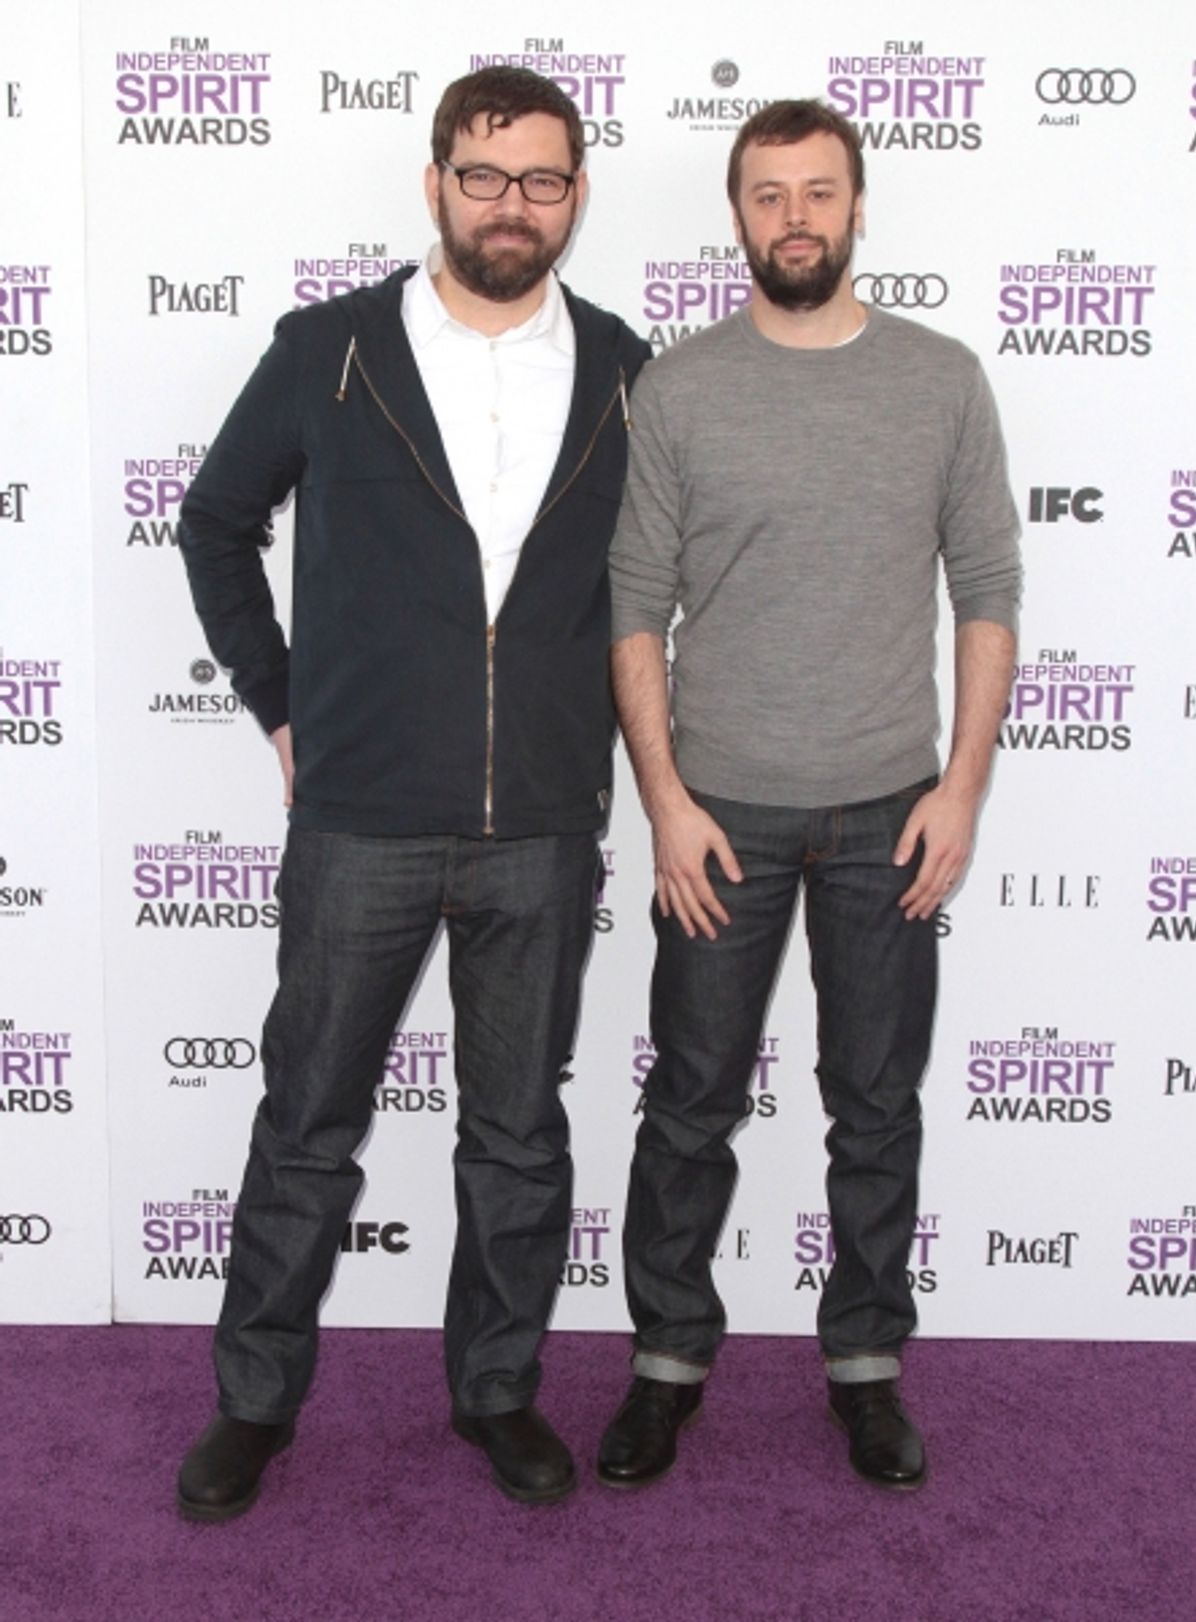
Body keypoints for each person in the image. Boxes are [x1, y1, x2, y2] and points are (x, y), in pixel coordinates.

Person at [175, 65, 651, 1520]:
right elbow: (214, 521)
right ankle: (255, 1403)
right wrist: (280, 704)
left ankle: (497, 1390)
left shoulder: (623, 365)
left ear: (577, 196)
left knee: (518, 1136)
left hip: (542, 825)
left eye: (542, 179)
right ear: (436, 182)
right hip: (361, 818)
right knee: (308, 1122)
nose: (513, 204)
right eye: (485, 174)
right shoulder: (329, 348)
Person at [597, 99, 1021, 1492]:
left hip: (892, 811)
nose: (795, 218)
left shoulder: (942, 379)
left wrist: (963, 788)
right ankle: (667, 1361)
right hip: (719, 815)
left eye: (818, 192)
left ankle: (867, 1364)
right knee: (692, 1101)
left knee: (876, 1104)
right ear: (737, 215)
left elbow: (988, 591)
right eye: (769, 194)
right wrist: (665, 800)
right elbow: (634, 606)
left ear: (857, 207)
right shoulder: (680, 388)